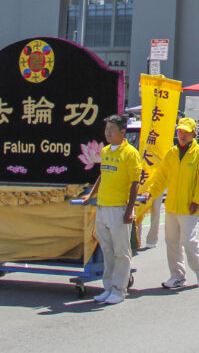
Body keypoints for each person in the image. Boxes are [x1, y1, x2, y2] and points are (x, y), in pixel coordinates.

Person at [140, 117, 199, 289]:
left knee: (188, 241)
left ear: (193, 133)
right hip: (171, 205)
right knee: (171, 241)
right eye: (180, 131)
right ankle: (177, 276)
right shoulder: (171, 153)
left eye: (186, 132)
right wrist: (151, 192)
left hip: (189, 206)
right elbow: (161, 177)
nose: (182, 135)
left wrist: (197, 200)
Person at [81, 115, 140, 304]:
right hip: (103, 206)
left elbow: (135, 183)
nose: (107, 133)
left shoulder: (130, 153)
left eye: (111, 129)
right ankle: (108, 288)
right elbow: (102, 175)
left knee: (121, 252)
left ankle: (119, 290)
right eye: (106, 129)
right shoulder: (106, 150)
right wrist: (91, 194)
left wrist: (129, 210)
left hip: (118, 208)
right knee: (107, 250)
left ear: (122, 132)